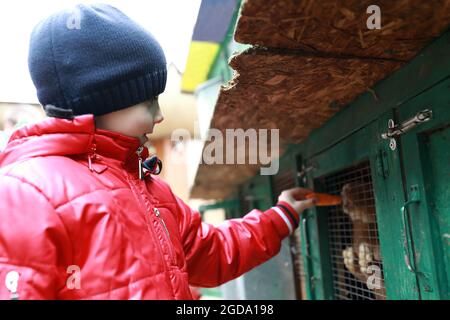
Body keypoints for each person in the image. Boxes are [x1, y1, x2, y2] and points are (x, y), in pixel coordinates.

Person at [0, 4, 315, 300]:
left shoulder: (149, 189)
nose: (160, 116)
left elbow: (212, 252)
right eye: (149, 103)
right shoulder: (26, 193)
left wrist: (280, 217)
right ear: (103, 103)